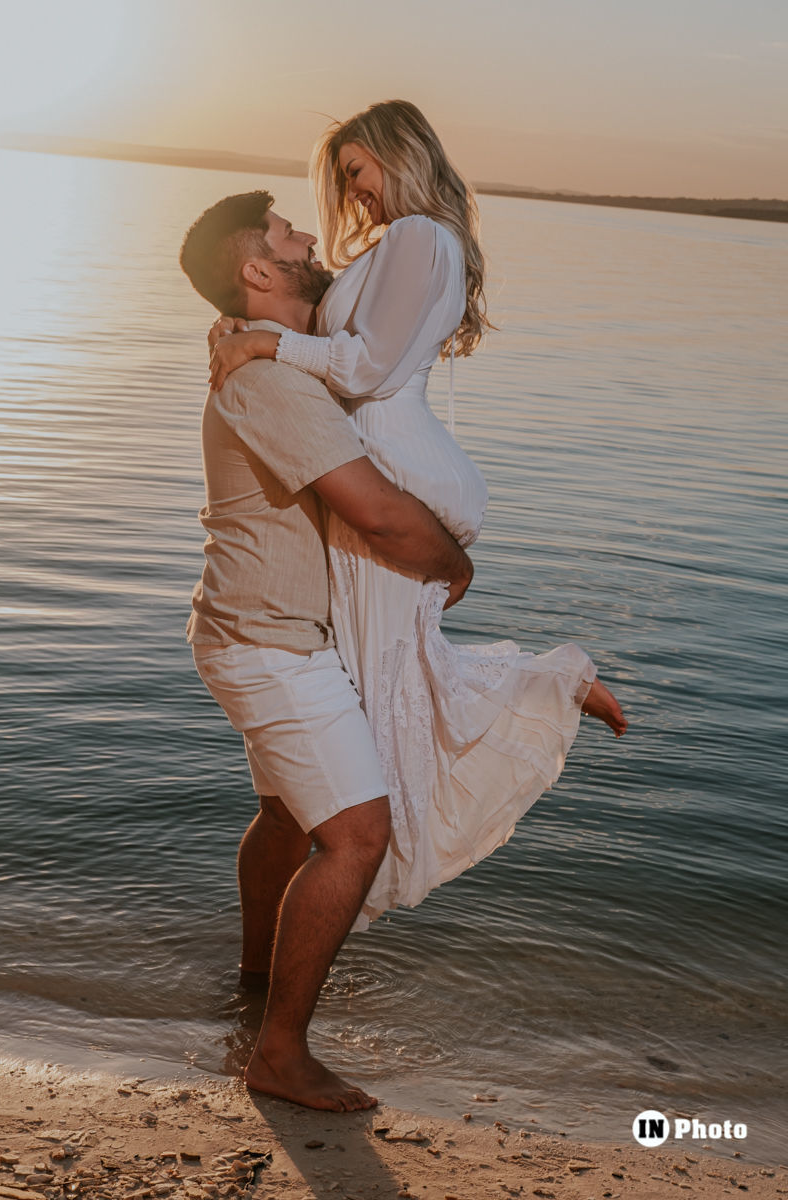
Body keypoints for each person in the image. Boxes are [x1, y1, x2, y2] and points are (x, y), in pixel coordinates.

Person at [207, 100, 627, 934]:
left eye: (358, 172)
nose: (351, 197)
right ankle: (545, 691)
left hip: (399, 471)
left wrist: (263, 343)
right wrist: (243, 325)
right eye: (343, 181)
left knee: (388, 684)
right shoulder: (407, 242)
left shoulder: (416, 238)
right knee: (391, 678)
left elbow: (363, 368)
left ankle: (556, 684)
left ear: (402, 156)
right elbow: (344, 348)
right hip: (397, 463)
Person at [179, 189, 475, 1113]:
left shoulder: (267, 360)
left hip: (250, 627)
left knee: (286, 818)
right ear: (258, 271)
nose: (311, 236)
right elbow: (376, 512)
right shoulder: (269, 382)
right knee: (356, 834)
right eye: (286, 235)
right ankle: (280, 1053)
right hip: (268, 641)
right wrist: (450, 566)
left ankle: (258, 990)